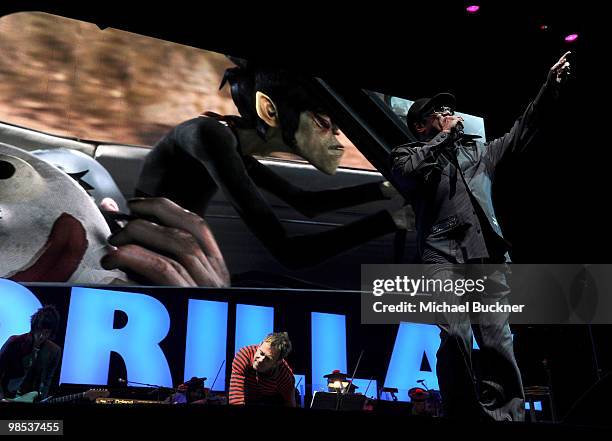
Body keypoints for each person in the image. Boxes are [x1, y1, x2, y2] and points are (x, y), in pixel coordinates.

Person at [389, 52, 571, 421]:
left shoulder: (479, 153)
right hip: (441, 255)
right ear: (421, 126)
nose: (447, 114)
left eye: (447, 110)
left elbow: (524, 127)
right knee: (455, 336)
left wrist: (549, 86)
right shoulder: (409, 154)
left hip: (486, 254)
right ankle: (460, 411)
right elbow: (407, 174)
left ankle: (505, 418)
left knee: (497, 342)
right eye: (438, 112)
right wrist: (441, 139)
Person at [135, 60, 406, 271]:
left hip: (173, 256)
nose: (337, 143)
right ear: (270, 110)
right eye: (323, 124)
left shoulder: (230, 144)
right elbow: (291, 254)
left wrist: (384, 189)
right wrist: (393, 221)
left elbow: (306, 202)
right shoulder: (211, 137)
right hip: (151, 260)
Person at [0, 306, 62, 401]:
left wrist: (42, 398)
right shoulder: (14, 342)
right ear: (35, 326)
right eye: (40, 330)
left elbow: (47, 381)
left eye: (47, 332)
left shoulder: (54, 351)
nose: (42, 336)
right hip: (6, 396)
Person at [229, 332, 295, 407]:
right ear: (260, 345)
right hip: (248, 396)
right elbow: (236, 399)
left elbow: (290, 403)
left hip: (272, 400)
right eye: (261, 353)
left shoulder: (284, 375)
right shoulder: (244, 356)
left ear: (277, 363)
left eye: (268, 359)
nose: (260, 360)